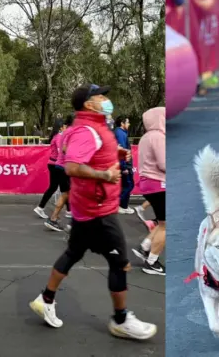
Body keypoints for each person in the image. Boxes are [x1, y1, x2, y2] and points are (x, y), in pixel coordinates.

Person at [29, 84, 157, 340]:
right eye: (100, 96)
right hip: (98, 211)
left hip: (87, 207)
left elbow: (76, 157)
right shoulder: (87, 130)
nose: (105, 100)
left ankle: (46, 299)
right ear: (89, 104)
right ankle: (120, 320)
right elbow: (72, 167)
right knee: (120, 264)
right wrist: (105, 174)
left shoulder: (91, 127)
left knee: (73, 253)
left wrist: (113, 153)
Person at [131, 107, 166, 276]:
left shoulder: (145, 138)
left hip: (147, 184)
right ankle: (151, 262)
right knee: (166, 226)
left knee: (162, 223)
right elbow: (163, 164)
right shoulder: (158, 137)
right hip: (158, 183)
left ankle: (145, 247)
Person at [44, 115, 73, 232]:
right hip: (64, 167)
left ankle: (55, 218)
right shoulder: (69, 133)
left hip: (63, 166)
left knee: (66, 193)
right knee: (67, 193)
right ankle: (54, 218)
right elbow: (65, 149)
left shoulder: (67, 133)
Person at [34, 119, 66, 219]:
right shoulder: (59, 137)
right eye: (65, 126)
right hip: (57, 165)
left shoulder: (55, 137)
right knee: (65, 189)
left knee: (55, 187)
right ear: (61, 127)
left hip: (53, 164)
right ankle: (67, 213)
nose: (66, 128)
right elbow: (61, 151)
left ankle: (41, 207)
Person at [114, 116, 135, 215]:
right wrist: (124, 167)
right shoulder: (120, 133)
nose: (129, 124)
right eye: (127, 122)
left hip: (126, 164)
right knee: (129, 185)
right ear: (122, 123)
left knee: (127, 185)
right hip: (125, 165)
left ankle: (124, 206)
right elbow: (121, 151)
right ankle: (118, 204)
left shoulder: (122, 133)